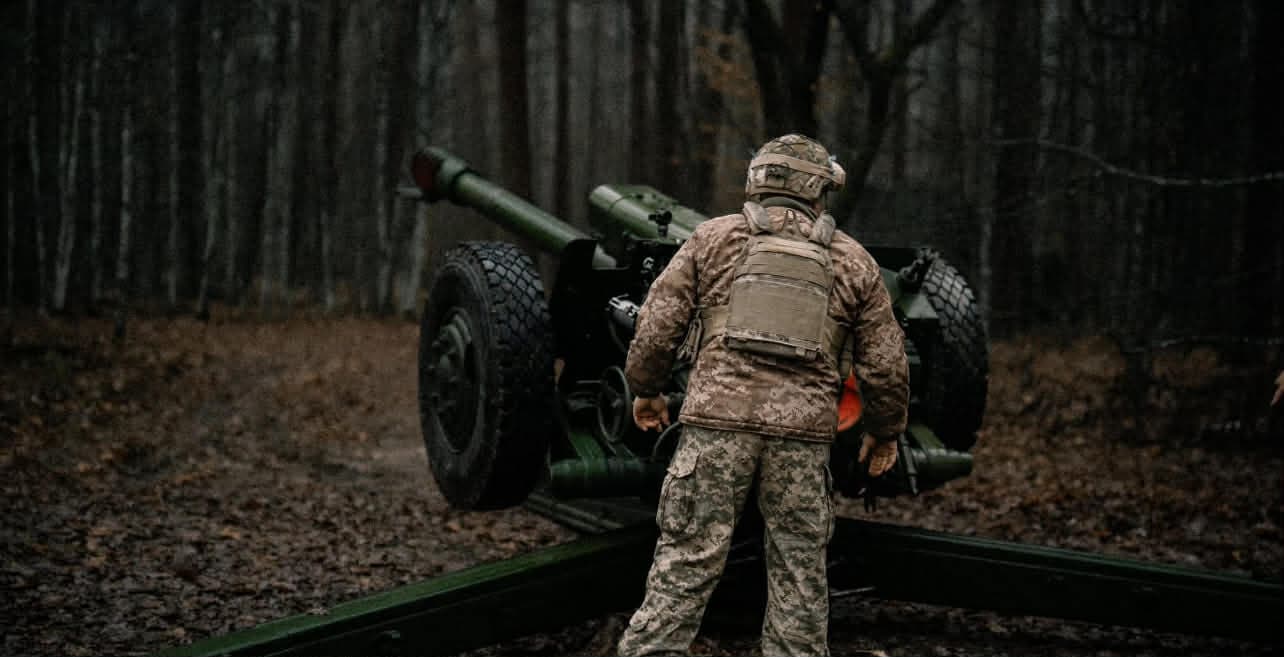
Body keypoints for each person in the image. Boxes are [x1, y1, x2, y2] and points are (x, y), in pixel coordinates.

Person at [618, 134, 911, 656]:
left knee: (685, 562)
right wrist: (884, 431)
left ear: (757, 180)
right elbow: (885, 363)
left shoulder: (712, 240)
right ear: (820, 188)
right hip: (800, 442)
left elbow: (657, 326)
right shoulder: (852, 260)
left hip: (715, 430)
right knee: (799, 573)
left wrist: (647, 391)